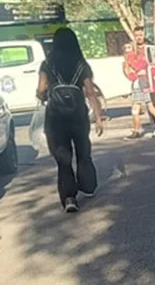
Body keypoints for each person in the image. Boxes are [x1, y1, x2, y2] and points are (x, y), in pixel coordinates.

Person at [36, 28, 104, 213]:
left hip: (56, 117)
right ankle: (88, 186)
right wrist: (98, 118)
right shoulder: (81, 64)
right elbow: (90, 92)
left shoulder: (47, 64)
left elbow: (41, 89)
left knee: (63, 158)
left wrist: (42, 95)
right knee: (83, 151)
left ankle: (69, 198)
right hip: (78, 115)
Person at [122, 26, 155, 139]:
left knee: (145, 106)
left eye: (140, 35)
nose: (139, 38)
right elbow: (127, 65)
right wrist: (131, 76)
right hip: (139, 81)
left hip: (147, 80)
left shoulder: (149, 48)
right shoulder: (132, 49)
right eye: (136, 35)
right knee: (142, 106)